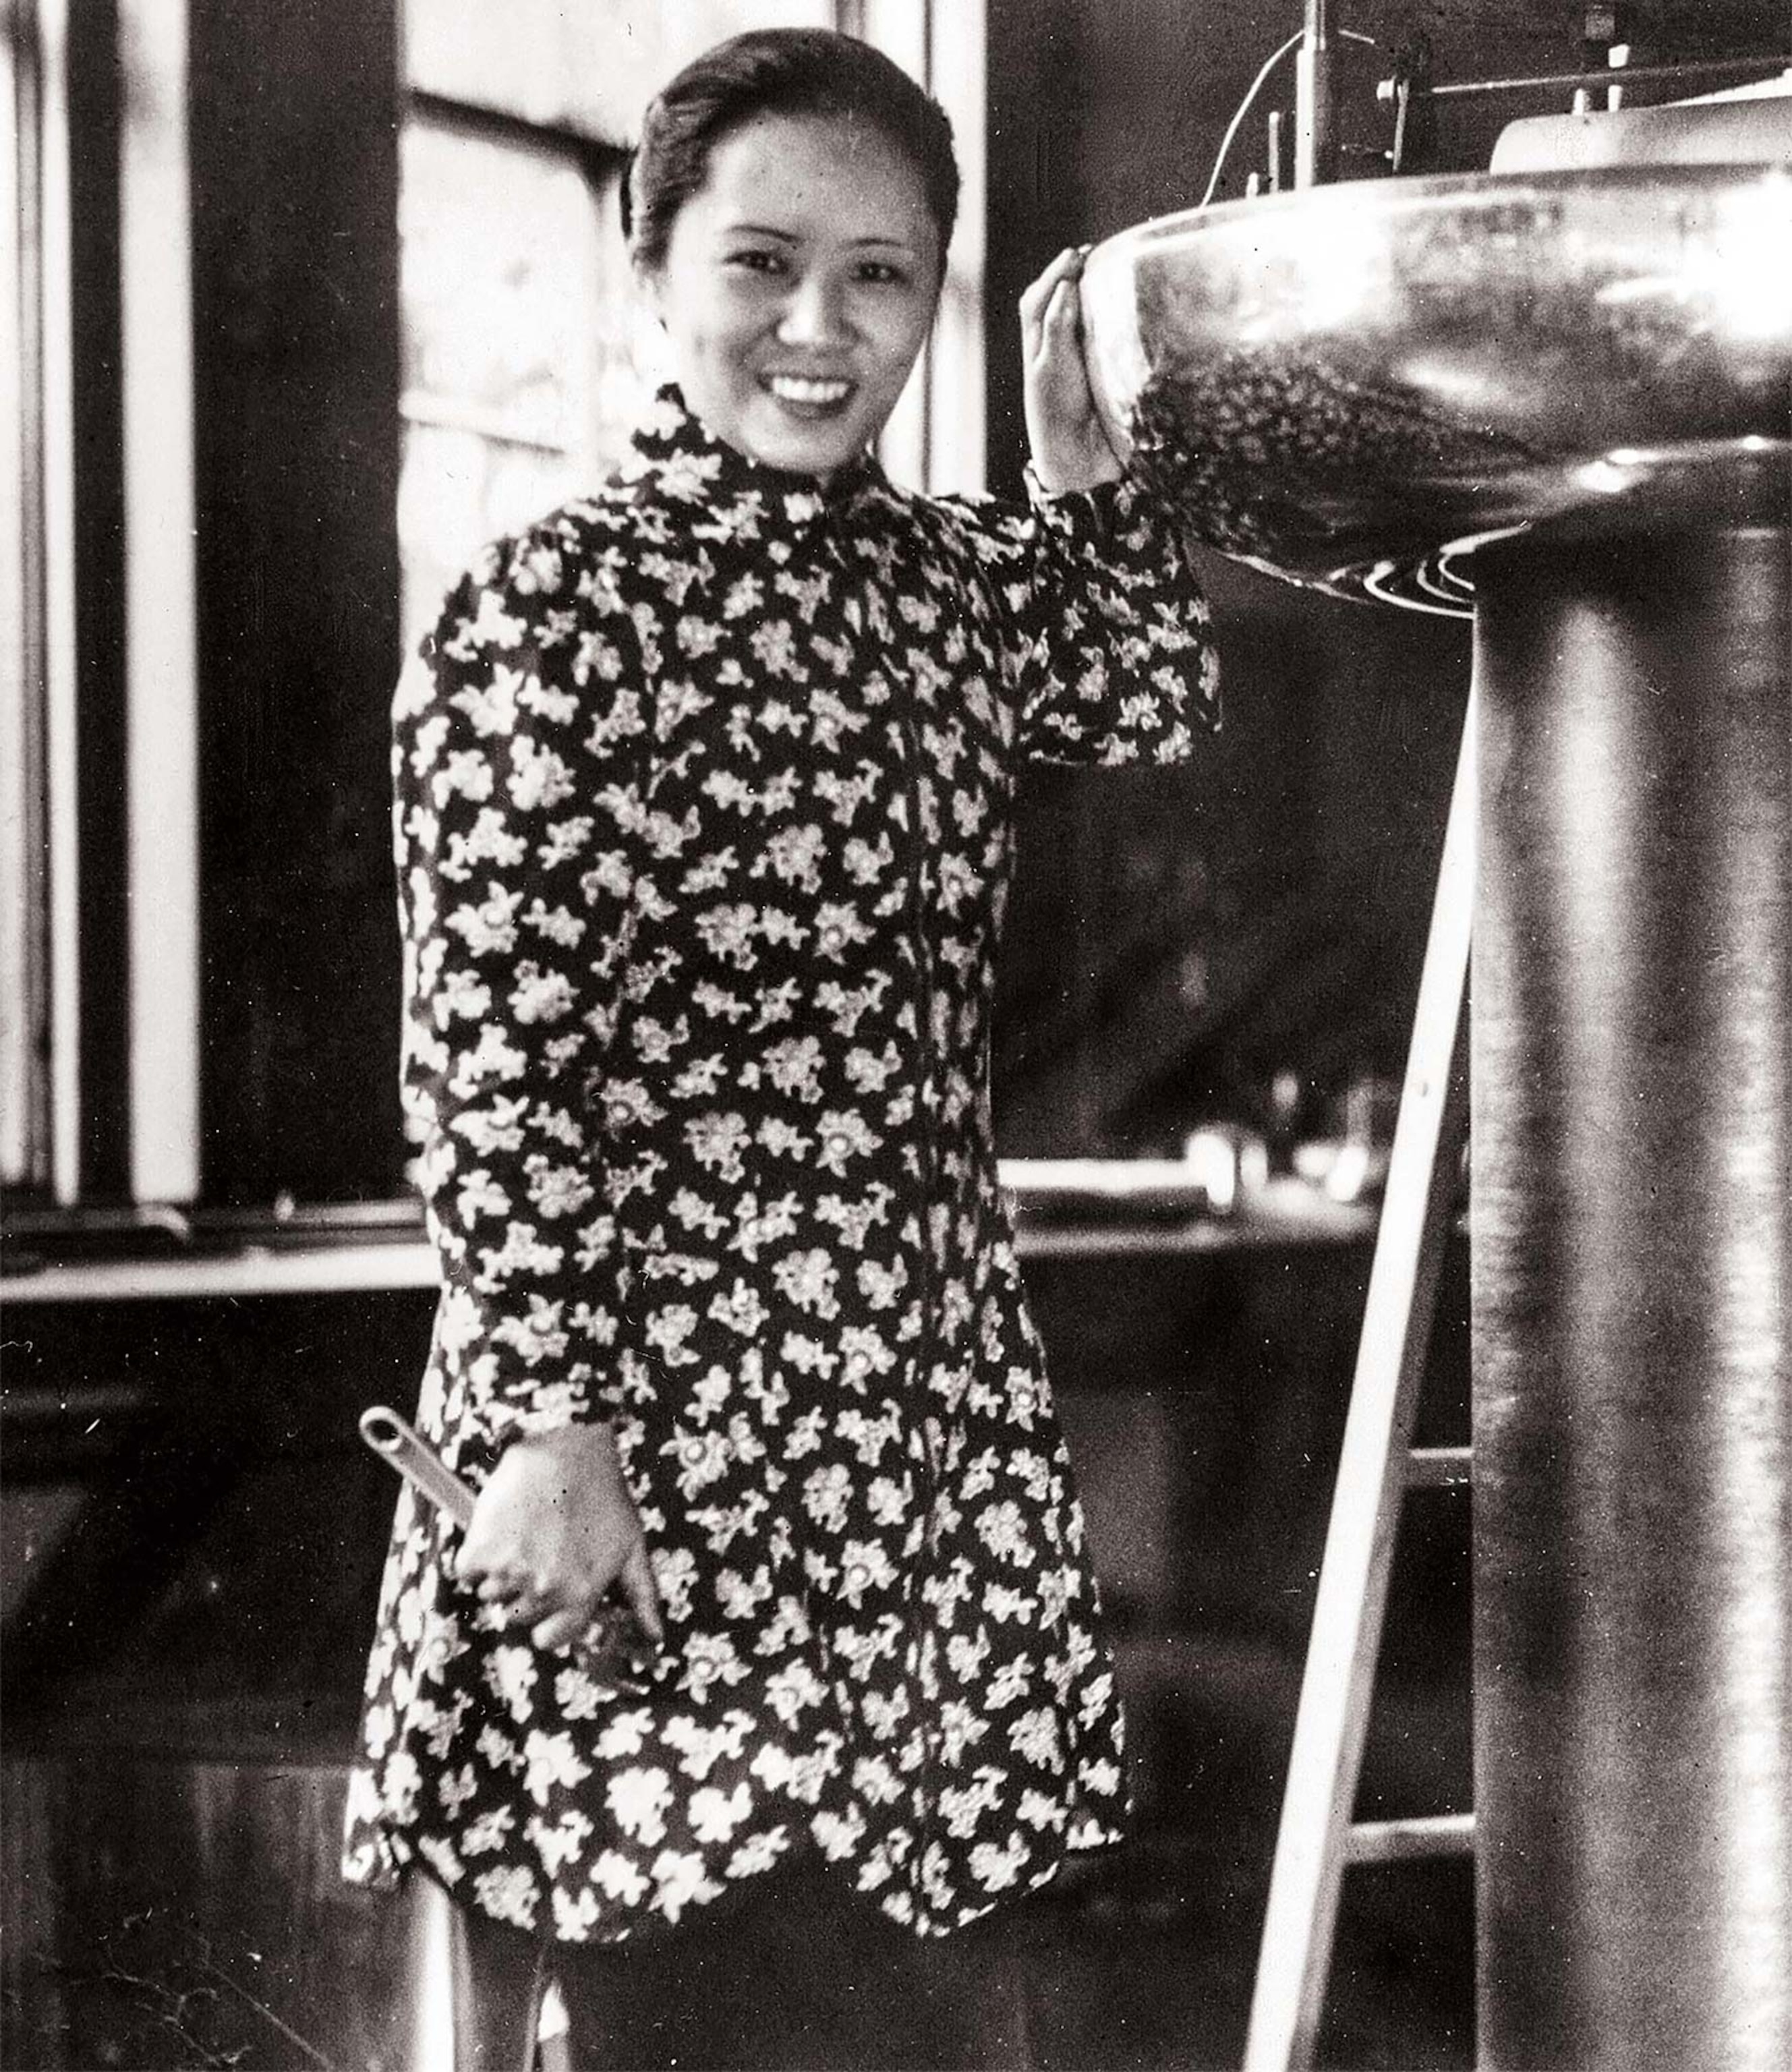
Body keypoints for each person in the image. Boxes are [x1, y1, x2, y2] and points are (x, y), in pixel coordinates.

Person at [343, 26, 1222, 2069]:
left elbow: (1146, 689)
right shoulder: (550, 613)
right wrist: (555, 1425)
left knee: (909, 2005)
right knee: (696, 1994)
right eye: (760, 264)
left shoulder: (940, 592)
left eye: (882, 273)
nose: (819, 328)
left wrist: (1080, 473)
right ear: (650, 271)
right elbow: (493, 1044)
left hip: (909, 1440)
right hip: (653, 1438)